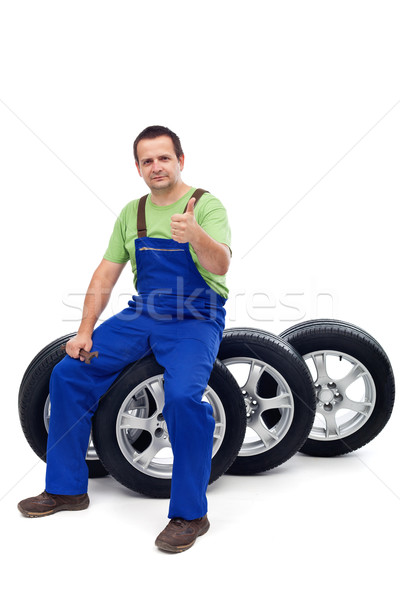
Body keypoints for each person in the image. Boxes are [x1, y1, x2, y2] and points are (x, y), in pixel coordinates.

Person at [18, 125, 232, 553]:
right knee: (68, 374)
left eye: (164, 158)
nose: (156, 166)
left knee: (184, 399)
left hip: (196, 317)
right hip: (144, 312)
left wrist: (196, 236)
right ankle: (66, 489)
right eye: (147, 160)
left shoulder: (205, 206)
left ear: (180, 161)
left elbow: (221, 264)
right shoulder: (131, 214)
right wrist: (84, 331)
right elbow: (105, 274)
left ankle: (191, 514)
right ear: (138, 168)